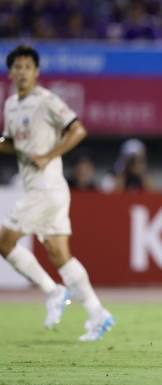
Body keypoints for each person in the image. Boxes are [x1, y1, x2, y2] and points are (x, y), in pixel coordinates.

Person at [0, 45, 114, 341]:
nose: (22, 71)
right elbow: (13, 142)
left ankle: (52, 292)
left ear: (36, 72)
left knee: (4, 242)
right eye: (17, 66)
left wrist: (49, 155)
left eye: (27, 66)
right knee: (60, 255)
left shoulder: (47, 101)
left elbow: (77, 130)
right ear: (10, 72)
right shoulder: (11, 104)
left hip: (46, 187)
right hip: (43, 189)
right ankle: (98, 313)